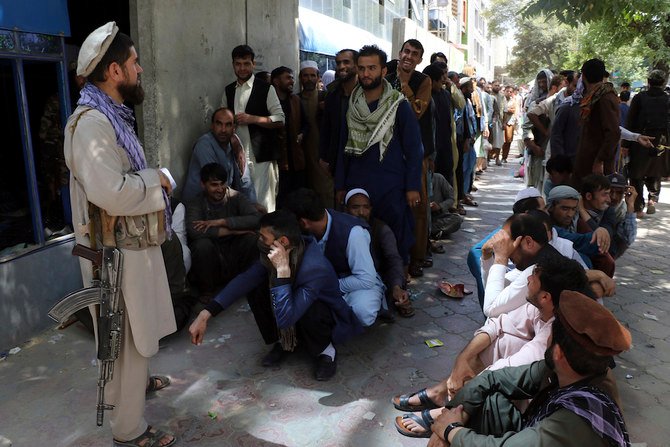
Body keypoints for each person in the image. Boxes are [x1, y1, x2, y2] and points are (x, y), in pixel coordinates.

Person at [63, 22, 176, 447]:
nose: (140, 69)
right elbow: (110, 193)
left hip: (125, 249)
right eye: (133, 63)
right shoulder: (92, 125)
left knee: (132, 334)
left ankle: (133, 389)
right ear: (113, 71)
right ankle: (129, 432)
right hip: (113, 255)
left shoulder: (109, 116)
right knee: (123, 339)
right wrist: (157, 181)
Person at [393, 255, 590, 438]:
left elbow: (502, 375)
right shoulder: (542, 305)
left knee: (492, 380)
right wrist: (462, 360)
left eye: (533, 278)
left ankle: (447, 414)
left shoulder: (555, 335)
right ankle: (440, 393)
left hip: (530, 411)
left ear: (546, 297)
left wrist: (465, 386)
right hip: (518, 377)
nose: (527, 280)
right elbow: (497, 323)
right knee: (503, 339)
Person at [425, 290, 631, 446]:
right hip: (537, 434)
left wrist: (451, 430)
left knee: (461, 433)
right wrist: (452, 415)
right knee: (489, 400)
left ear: (558, 352)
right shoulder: (570, 368)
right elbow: (494, 378)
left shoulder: (578, 417)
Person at [188, 210, 364, 381]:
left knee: (310, 309)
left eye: (264, 237)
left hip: (324, 315)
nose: (259, 241)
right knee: (256, 288)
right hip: (292, 307)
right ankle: (286, 342)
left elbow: (285, 319)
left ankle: (326, 350)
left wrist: (282, 272)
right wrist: (205, 314)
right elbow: (246, 279)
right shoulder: (278, 252)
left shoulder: (314, 268)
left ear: (283, 241)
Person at [334, 44, 423, 270]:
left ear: (383, 71)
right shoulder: (351, 106)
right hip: (357, 184)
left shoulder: (398, 105)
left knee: (396, 236)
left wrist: (412, 186)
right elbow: (343, 147)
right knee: (359, 237)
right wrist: (340, 185)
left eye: (372, 68)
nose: (366, 74)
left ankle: (398, 286)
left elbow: (414, 149)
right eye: (362, 68)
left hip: (390, 184)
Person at [285, 188, 385, 326]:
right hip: (322, 282)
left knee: (362, 312)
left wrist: (329, 287)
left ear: (303, 223)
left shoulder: (354, 233)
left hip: (356, 283)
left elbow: (366, 279)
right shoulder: (307, 230)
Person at [385, 38, 433, 277]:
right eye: (406, 51)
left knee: (418, 204)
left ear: (419, 60)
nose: (408, 57)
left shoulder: (423, 81)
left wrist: (404, 84)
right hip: (386, 148)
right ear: (400, 52)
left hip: (413, 150)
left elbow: (416, 111)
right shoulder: (385, 73)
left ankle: (417, 256)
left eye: (414, 54)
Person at [185, 163, 261, 303]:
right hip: (212, 257)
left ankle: (248, 282)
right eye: (214, 185)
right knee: (201, 245)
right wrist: (233, 231)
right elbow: (194, 231)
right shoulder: (196, 203)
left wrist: (222, 222)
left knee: (253, 239)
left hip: (234, 252)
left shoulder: (236, 197)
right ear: (203, 185)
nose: (219, 189)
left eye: (222, 184)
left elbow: (256, 219)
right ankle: (207, 290)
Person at [222, 45, 285, 212]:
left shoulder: (266, 89)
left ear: (253, 64)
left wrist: (253, 119)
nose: (242, 68)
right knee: (243, 204)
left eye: (246, 63)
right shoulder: (228, 90)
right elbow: (222, 120)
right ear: (233, 64)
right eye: (238, 64)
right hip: (236, 157)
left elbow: (280, 119)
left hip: (261, 158)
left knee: (264, 203)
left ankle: (268, 237)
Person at [344, 188, 415, 318]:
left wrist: (396, 287)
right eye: (355, 207)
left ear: (371, 209)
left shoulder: (381, 229)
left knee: (363, 310)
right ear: (345, 209)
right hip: (343, 278)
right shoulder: (339, 228)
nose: (361, 212)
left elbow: (393, 259)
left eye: (366, 207)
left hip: (371, 280)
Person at [182, 107, 256, 202]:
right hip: (199, 205)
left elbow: (245, 179)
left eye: (228, 125)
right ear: (212, 126)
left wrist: (253, 203)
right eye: (219, 124)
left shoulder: (234, 143)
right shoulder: (204, 144)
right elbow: (216, 184)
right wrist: (244, 206)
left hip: (222, 203)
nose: (223, 130)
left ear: (234, 128)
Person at [623, 69, 670, 216]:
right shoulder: (668, 99)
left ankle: (638, 208)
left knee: (636, 173)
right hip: (661, 140)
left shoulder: (639, 97)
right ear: (663, 83)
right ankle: (652, 199)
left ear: (648, 82)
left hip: (640, 139)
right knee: (655, 171)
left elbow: (630, 121)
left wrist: (625, 144)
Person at [572, 59, 620, 186]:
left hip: (595, 165)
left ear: (584, 76)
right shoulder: (593, 97)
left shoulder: (604, 98)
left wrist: (600, 160)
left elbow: (613, 132)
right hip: (587, 160)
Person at [271, 66, 308, 206]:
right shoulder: (269, 101)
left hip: (296, 159)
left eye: (292, 78)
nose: (291, 81)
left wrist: (302, 134)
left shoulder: (296, 100)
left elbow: (306, 124)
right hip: (279, 161)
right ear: (276, 81)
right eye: (287, 77)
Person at [320, 48, 358, 178]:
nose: (341, 66)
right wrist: (323, 157)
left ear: (357, 65)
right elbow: (326, 128)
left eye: (346, 62)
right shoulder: (332, 95)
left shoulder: (368, 94)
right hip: (337, 160)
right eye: (338, 63)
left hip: (361, 161)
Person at [298, 60, 331, 207]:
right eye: (305, 75)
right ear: (300, 77)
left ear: (318, 77)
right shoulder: (295, 99)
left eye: (312, 75)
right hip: (302, 155)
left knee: (325, 191)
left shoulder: (326, 98)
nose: (309, 79)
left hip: (322, 155)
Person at [606, 172, 638, 259]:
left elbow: (628, 238)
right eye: (610, 192)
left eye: (619, 193)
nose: (614, 197)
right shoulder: (597, 204)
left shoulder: (622, 209)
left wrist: (630, 205)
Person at [430, 172, 462, 240]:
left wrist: (440, 206)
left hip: (438, 216)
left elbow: (451, 198)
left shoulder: (438, 178)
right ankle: (432, 231)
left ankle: (430, 230)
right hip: (422, 218)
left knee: (457, 219)